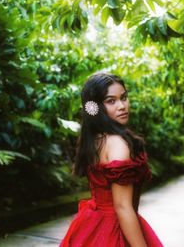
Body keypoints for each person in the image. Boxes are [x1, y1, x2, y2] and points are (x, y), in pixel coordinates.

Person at [60, 72, 163, 247]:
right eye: (111, 101)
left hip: (91, 224)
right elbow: (122, 207)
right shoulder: (117, 143)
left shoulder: (95, 139)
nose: (122, 106)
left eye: (124, 98)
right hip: (113, 231)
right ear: (96, 107)